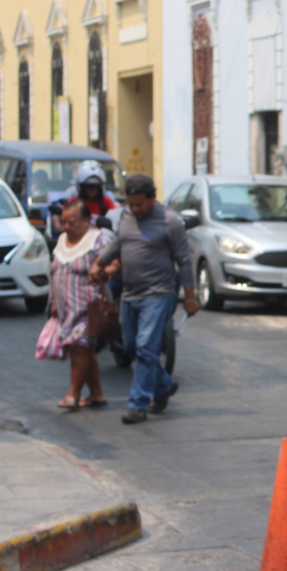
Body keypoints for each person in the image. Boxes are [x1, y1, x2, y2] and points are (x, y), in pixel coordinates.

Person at [89, 174, 199, 425]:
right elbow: (119, 243)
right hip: (130, 293)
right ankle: (163, 386)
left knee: (146, 347)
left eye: (141, 204)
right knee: (130, 347)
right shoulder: (126, 216)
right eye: (132, 204)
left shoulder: (170, 222)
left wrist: (190, 298)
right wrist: (100, 263)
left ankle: (137, 405)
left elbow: (184, 260)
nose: (136, 209)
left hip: (158, 294)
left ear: (153, 197)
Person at [50, 200, 109, 411]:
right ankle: (96, 394)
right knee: (83, 349)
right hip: (66, 308)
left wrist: (101, 271)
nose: (66, 227)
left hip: (87, 306)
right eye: (64, 222)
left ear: (86, 221)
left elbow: (111, 264)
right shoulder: (62, 239)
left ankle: (73, 394)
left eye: (71, 223)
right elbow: (54, 271)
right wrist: (54, 301)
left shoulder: (98, 239)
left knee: (80, 348)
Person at [51, 161, 119, 234]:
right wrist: (58, 227)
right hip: (77, 239)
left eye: (95, 186)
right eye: (88, 186)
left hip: (99, 240)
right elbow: (58, 214)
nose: (92, 189)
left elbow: (116, 215)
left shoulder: (105, 201)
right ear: (82, 187)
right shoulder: (74, 202)